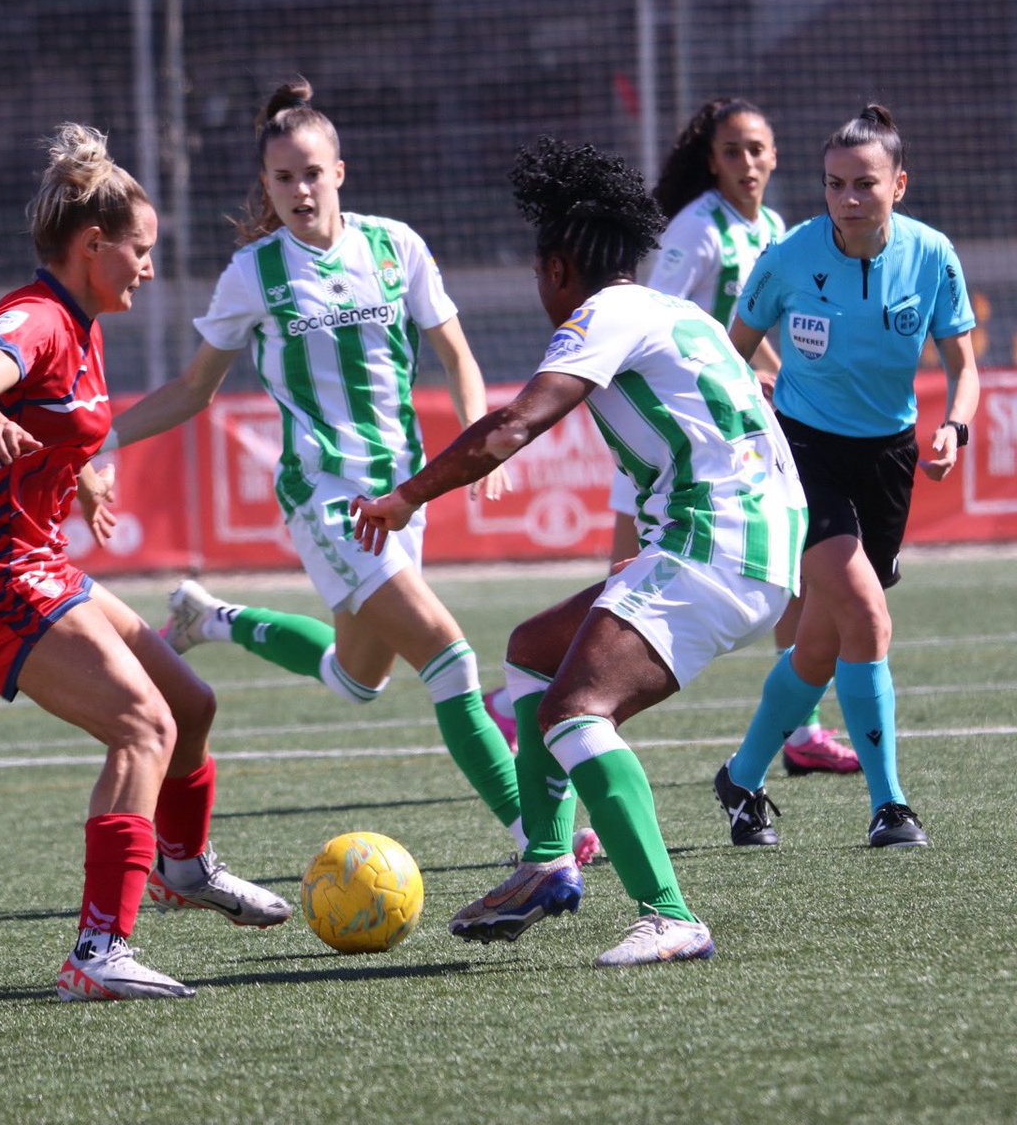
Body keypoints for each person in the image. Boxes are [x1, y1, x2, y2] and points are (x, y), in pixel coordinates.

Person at [90, 79, 595, 865]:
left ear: (340, 172)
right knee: (451, 660)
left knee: (360, 680)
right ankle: (535, 834)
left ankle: (210, 619)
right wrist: (102, 441)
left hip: (400, 495)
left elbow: (457, 355)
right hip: (329, 500)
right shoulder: (253, 273)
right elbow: (195, 389)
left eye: (312, 173)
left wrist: (482, 437)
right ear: (267, 186)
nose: (299, 189)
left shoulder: (397, 246)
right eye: (283, 177)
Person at [352, 136, 807, 967]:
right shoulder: (679, 310)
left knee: (572, 710)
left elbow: (513, 426)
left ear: (558, 268)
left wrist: (404, 497)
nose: (538, 287)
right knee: (531, 653)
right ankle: (546, 862)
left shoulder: (605, 313)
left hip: (719, 542)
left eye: (537, 271)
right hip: (749, 537)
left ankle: (670, 915)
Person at [0, 123, 290, 1004]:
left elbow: (65, 417)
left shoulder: (82, 323)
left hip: (37, 564)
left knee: (190, 704)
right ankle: (98, 951)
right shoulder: (38, 317)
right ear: (93, 246)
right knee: (143, 729)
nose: (149, 268)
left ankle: (184, 869)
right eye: (142, 250)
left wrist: (81, 475)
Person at [483, 98, 855, 777]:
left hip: (722, 441)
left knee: (785, 573)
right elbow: (665, 322)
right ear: (711, 161)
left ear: (776, 156)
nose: (747, 162)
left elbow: (732, 338)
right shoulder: (698, 228)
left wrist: (770, 382)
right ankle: (539, 709)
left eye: (758, 148)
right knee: (622, 600)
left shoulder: (769, 227)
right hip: (664, 446)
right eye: (733, 150)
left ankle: (800, 725)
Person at [714, 103, 979, 849]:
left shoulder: (932, 256)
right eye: (834, 184)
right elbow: (730, 352)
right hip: (802, 454)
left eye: (864, 184)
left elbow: (964, 368)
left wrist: (953, 428)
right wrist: (742, 430)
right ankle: (890, 806)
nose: (847, 199)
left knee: (822, 649)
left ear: (900, 182)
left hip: (889, 459)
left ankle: (741, 777)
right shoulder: (790, 257)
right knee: (867, 617)